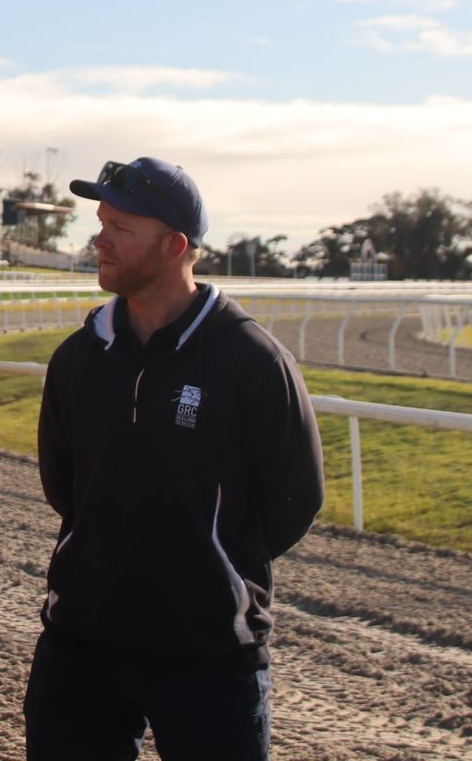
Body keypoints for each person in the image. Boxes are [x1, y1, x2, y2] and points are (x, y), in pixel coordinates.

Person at [24, 157, 324, 761]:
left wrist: (209, 569)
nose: (98, 240)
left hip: (209, 655)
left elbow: (294, 499)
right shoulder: (78, 358)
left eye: (120, 229)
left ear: (174, 244)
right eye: (100, 222)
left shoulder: (252, 361)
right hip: (82, 644)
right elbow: (65, 486)